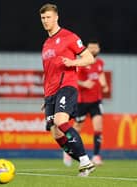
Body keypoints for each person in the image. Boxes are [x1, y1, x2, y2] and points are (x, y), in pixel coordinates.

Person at [39, 3, 96, 176]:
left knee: (61, 121)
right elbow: (47, 73)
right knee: (56, 133)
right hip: (50, 93)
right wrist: (45, 97)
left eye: (48, 17)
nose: (45, 21)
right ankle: (86, 162)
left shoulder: (68, 37)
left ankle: (85, 161)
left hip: (67, 86)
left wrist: (73, 63)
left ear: (56, 17)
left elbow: (89, 58)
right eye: (43, 18)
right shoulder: (46, 44)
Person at [63, 39, 109, 167]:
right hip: (82, 101)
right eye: (91, 47)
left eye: (96, 47)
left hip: (96, 101)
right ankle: (68, 151)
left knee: (98, 128)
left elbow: (100, 74)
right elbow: (73, 78)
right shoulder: (82, 63)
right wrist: (84, 84)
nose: (93, 49)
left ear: (98, 49)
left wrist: (104, 84)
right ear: (87, 49)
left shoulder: (99, 63)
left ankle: (96, 156)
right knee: (77, 128)